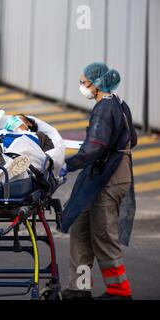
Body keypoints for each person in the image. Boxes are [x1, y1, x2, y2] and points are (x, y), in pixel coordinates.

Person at [59, 62, 137, 300]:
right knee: (81, 230)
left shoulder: (104, 109)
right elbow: (132, 138)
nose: (82, 86)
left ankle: (119, 291)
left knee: (102, 234)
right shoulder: (119, 104)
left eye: (84, 82)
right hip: (104, 175)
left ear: (97, 83)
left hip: (109, 178)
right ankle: (79, 287)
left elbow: (94, 147)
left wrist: (67, 165)